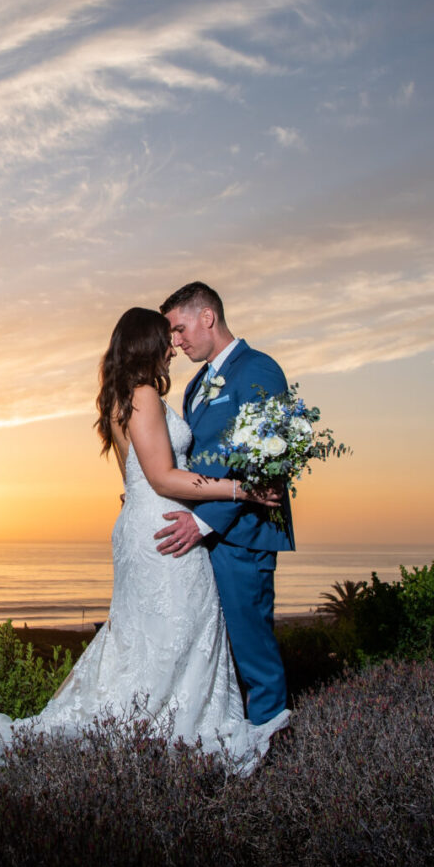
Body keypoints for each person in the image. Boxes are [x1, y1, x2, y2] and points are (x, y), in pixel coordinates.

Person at [0, 307, 291, 775]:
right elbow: (162, 478)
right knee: (177, 632)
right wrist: (242, 489)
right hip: (164, 528)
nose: (173, 347)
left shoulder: (119, 399)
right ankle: (173, 733)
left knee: (147, 638)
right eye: (166, 337)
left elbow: (133, 481)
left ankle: (149, 731)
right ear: (147, 345)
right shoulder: (144, 395)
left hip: (139, 524)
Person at [154, 282, 293, 722]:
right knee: (215, 653)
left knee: (253, 652)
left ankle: (270, 747)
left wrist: (205, 522)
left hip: (243, 536)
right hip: (201, 539)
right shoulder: (195, 386)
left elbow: (264, 464)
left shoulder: (260, 370)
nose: (175, 341)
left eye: (179, 328)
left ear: (207, 317)